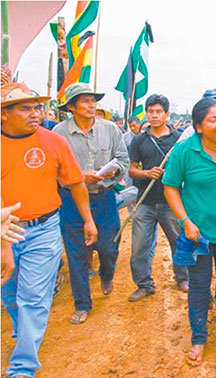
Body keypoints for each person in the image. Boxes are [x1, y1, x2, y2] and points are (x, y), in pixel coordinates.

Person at [1, 83, 97, 377]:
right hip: (4, 230)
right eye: (25, 108)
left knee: (34, 297)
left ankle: (23, 366)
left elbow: (76, 182)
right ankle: (22, 328)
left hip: (43, 229)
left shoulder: (53, 141)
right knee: (8, 291)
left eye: (38, 107)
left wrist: (88, 219)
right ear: (4, 114)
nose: (35, 114)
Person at [163, 98, 216, 366]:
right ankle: (199, 338)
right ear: (198, 126)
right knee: (199, 285)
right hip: (196, 234)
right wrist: (185, 221)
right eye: (213, 119)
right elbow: (171, 187)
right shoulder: (185, 151)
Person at [53, 83, 129, 324]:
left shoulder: (110, 129)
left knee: (109, 247)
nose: (91, 105)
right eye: (84, 101)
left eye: (93, 100)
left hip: (103, 198)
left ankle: (107, 274)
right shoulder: (58, 133)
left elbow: (123, 159)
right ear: (72, 107)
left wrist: (112, 171)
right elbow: (51, 170)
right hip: (71, 201)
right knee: (75, 252)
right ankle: (82, 304)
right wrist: (78, 177)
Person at [127, 94, 189, 300]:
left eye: (158, 112)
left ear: (167, 114)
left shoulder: (179, 140)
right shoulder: (139, 141)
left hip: (172, 202)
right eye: (150, 112)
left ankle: (182, 278)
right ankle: (144, 284)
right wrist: (147, 173)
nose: (154, 116)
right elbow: (132, 170)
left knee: (179, 242)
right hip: (145, 202)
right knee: (139, 246)